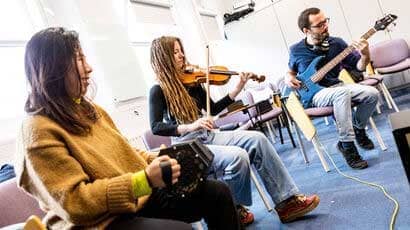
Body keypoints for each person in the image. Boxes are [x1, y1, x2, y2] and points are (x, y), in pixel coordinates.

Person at [15, 27, 241, 230]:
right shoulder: (36, 130)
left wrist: (158, 158)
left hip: (136, 199)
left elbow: (125, 153)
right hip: (98, 222)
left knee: (217, 193)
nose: (89, 68)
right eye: (80, 60)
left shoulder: (90, 109)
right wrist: (143, 180)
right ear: (53, 68)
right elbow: (76, 202)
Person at [148, 35, 320, 224]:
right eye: (175, 52)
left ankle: (286, 202)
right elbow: (156, 126)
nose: (181, 55)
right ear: (163, 57)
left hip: (207, 136)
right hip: (187, 146)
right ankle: (232, 209)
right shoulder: (158, 90)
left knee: (258, 139)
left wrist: (238, 87)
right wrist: (191, 125)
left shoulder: (193, 81)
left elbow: (213, 109)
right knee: (237, 156)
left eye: (181, 50)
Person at [285, 7, 380, 169]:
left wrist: (365, 55)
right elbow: (290, 71)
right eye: (319, 24)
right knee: (341, 93)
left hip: (337, 87)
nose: (326, 26)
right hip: (314, 95)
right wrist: (289, 78)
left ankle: (357, 128)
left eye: (326, 21)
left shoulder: (337, 44)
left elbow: (359, 67)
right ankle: (348, 147)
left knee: (372, 93)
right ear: (306, 30)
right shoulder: (296, 50)